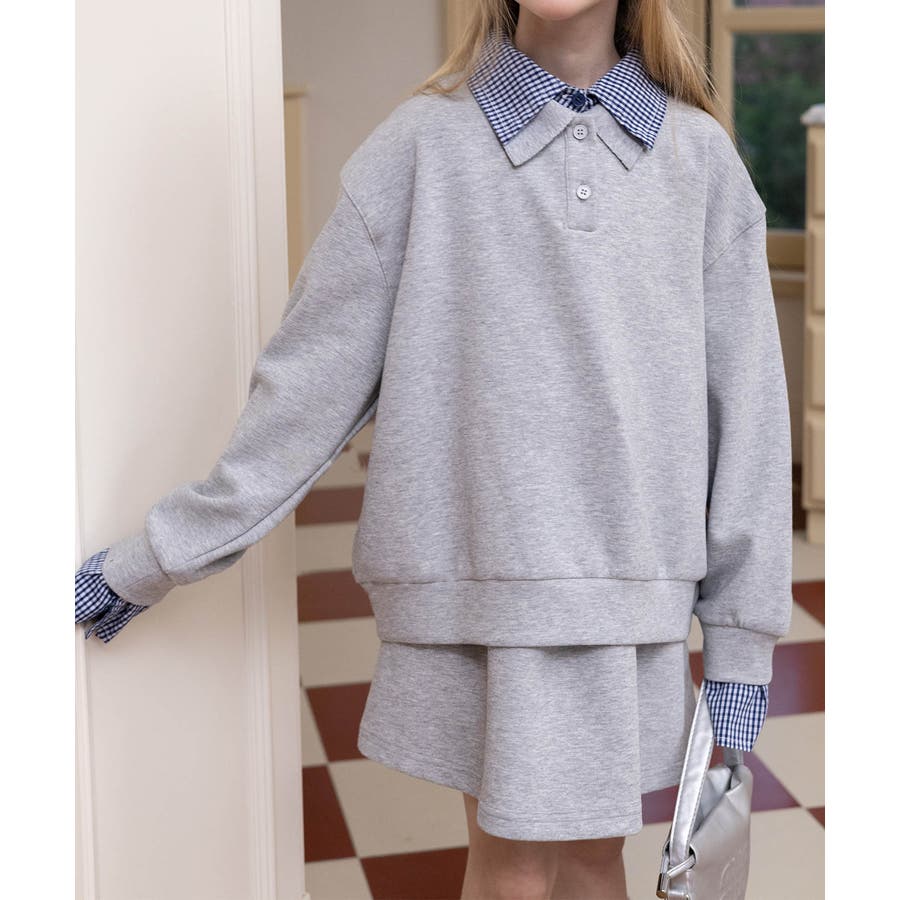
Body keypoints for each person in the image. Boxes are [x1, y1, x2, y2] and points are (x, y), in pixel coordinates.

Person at [76, 0, 794, 897]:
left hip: (628, 604)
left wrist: (740, 645)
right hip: (472, 597)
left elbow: (750, 423)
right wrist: (158, 555)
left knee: (590, 861)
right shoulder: (419, 146)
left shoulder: (702, 163)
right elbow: (307, 387)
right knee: (513, 865)